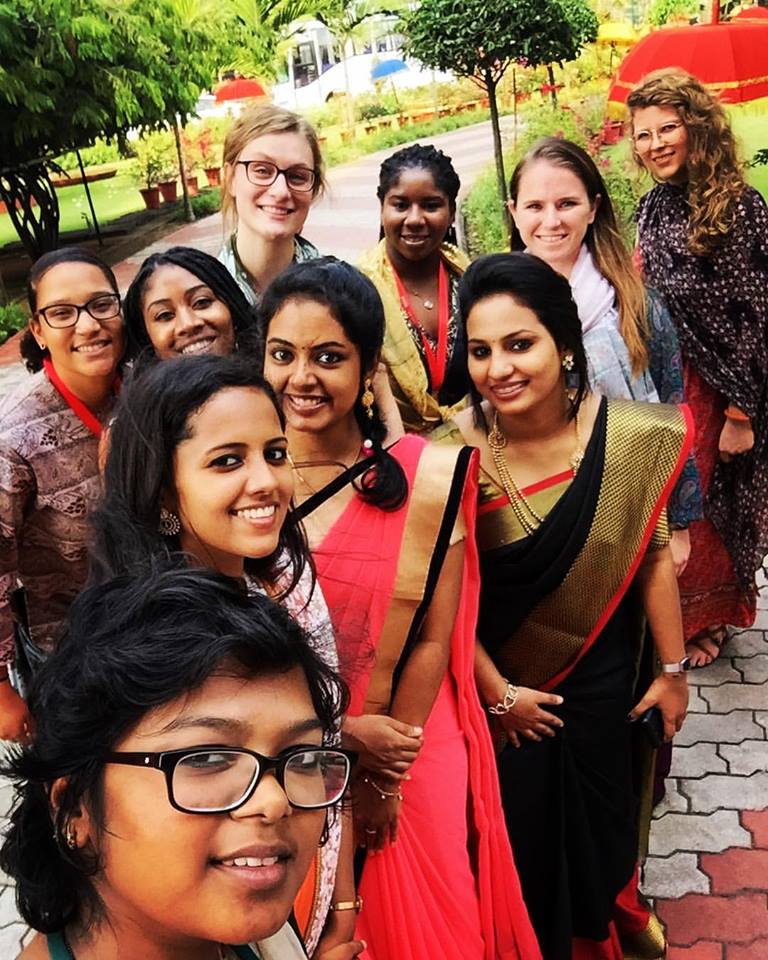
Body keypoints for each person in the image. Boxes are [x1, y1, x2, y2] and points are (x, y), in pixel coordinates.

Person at [260, 257, 541, 960]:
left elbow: (433, 639)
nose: (301, 378)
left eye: (329, 357)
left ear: (366, 369)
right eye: (281, 354)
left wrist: (386, 775)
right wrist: (342, 734)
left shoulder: (423, 474)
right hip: (287, 748)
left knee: (433, 923)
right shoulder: (243, 486)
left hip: (410, 738)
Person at [431, 253, 692, 960]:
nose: (498, 368)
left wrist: (672, 671)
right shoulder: (451, 455)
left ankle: (610, 923)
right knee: (525, 849)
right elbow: (442, 603)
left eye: (520, 344)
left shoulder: (633, 438)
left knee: (605, 833)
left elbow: (654, 557)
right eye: (480, 350)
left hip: (605, 685)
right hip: (504, 703)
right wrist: (499, 694)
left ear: (564, 344)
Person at [91, 355, 356, 958]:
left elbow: (322, 755)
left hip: (302, 857)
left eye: (276, 453)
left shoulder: (284, 581)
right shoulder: (144, 645)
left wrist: (341, 904)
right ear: (164, 486)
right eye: (227, 461)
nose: (266, 481)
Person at [0, 563, 354, 960]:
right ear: (74, 808)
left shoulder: (259, 940)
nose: (274, 801)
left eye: (302, 756)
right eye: (207, 758)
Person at [508, 136, 702, 575]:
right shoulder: (495, 306)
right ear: (514, 210)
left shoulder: (634, 305)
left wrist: (681, 522)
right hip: (540, 515)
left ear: (593, 209)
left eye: (567, 204)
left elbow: (673, 415)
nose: (551, 221)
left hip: (637, 507)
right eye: (535, 206)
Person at [628, 69, 768, 666]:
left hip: (720, 389)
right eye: (643, 134)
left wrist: (741, 414)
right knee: (668, 500)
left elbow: (756, 315)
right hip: (663, 382)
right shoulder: (653, 205)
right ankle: (670, 613)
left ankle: (705, 618)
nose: (655, 143)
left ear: (698, 129)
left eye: (668, 128)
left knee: (709, 505)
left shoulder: (740, 207)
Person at [0, 248, 124, 741]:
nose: (88, 325)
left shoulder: (144, 392)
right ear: (37, 330)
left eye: (101, 305)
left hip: (156, 630)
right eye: (62, 313)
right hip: (69, 658)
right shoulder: (15, 438)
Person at [358, 144, 471, 434]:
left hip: (478, 440)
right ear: (382, 207)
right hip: (393, 454)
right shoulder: (358, 290)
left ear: (451, 210)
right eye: (400, 205)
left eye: (431, 205)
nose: (415, 219)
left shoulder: (471, 279)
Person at [219, 104, 324, 305]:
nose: (281, 191)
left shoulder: (339, 295)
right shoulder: (204, 299)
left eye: (297, 176)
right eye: (262, 171)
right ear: (230, 178)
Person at [123, 246, 258, 363]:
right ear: (147, 337)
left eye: (202, 302)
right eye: (165, 315)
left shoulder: (272, 376)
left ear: (231, 306)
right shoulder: (139, 393)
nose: (188, 324)